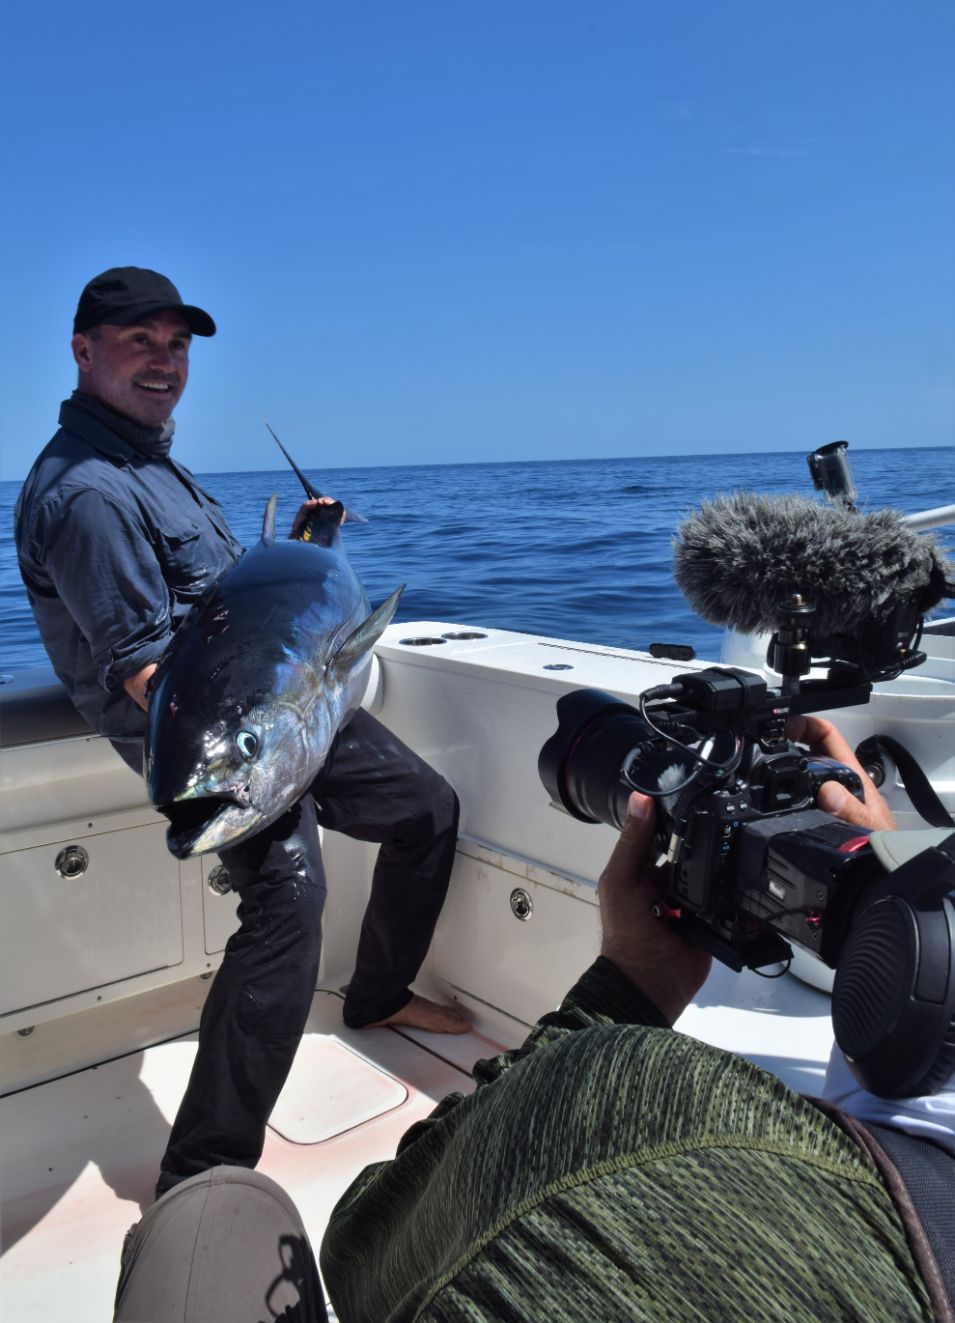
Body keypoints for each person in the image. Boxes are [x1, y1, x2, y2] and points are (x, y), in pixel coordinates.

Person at [112, 715, 954, 1322]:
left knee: (208, 1214)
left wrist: (624, 987)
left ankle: (205, 1169)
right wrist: (881, 893)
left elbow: (363, 1246)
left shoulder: (635, 1098)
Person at [14, 266, 468, 1201]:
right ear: (83, 350)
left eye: (176, 344)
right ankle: (201, 1174)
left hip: (279, 711)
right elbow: (147, 673)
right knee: (287, 901)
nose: (164, 361)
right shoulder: (87, 494)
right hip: (214, 745)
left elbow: (229, 609)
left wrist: (307, 549)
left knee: (426, 807)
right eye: (139, 341)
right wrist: (270, 737)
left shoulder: (152, 465)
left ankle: (378, 993)